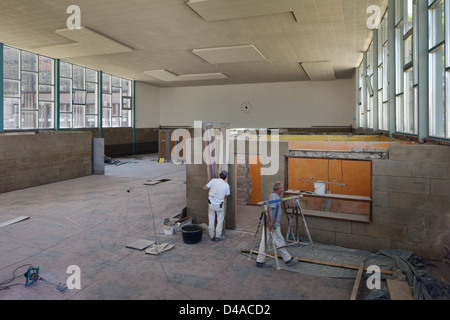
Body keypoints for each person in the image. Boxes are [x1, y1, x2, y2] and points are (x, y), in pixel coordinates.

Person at [256, 182, 297, 268]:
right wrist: (271, 223)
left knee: (266, 241)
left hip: (271, 223)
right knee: (279, 241)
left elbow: (277, 207)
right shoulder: (273, 196)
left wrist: (289, 207)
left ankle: (260, 261)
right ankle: (288, 259)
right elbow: (269, 209)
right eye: (282, 188)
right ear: (278, 189)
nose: (283, 189)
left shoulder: (276, 197)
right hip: (273, 224)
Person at [203, 170, 230, 241]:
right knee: (220, 220)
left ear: (219, 175)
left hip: (211, 203)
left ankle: (211, 235)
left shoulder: (213, 180)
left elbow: (205, 187)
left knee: (211, 219)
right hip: (219, 205)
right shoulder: (226, 185)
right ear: (226, 177)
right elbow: (226, 196)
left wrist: (208, 185)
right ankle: (218, 236)